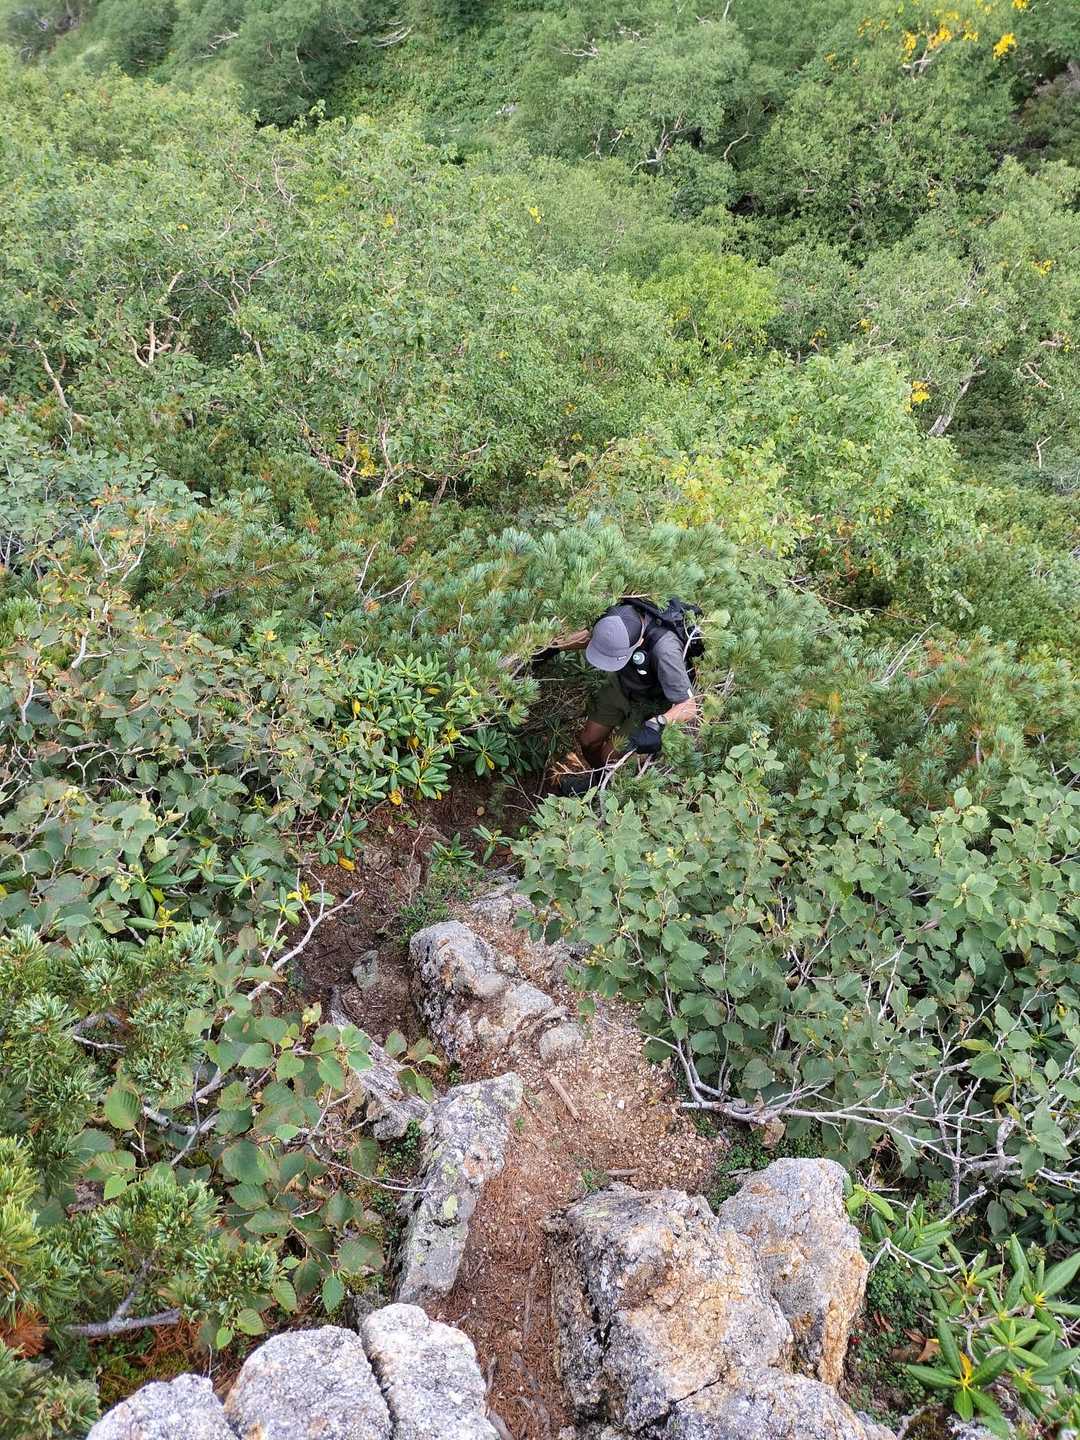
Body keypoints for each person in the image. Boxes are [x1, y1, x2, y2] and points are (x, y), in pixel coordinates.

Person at [554, 600, 699, 769]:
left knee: (610, 757)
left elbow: (689, 706)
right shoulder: (614, 616)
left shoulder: (665, 650)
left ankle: (607, 777)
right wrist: (553, 647)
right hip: (621, 683)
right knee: (588, 741)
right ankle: (598, 774)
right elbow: (594, 637)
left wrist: (657, 723)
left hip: (651, 699)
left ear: (639, 642)